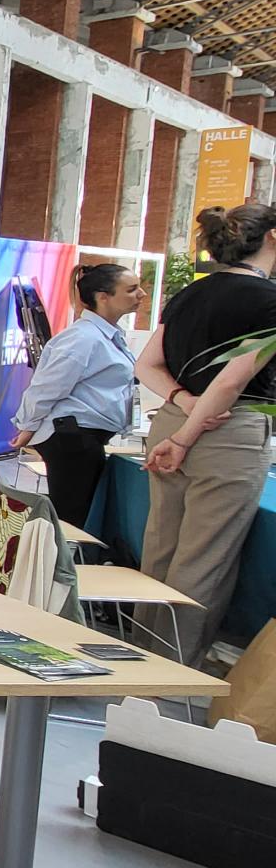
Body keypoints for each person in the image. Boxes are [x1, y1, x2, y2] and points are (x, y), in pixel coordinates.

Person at [134, 203, 276, 663]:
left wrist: (180, 405)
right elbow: (232, 381)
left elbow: (147, 365)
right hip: (223, 434)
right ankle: (172, 669)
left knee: (161, 548)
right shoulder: (268, 301)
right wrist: (188, 434)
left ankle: (141, 653)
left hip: (175, 423)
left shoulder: (191, 294)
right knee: (204, 560)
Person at [7, 263, 145, 529]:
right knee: (74, 520)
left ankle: (74, 566)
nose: (141, 295)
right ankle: (64, 570)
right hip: (72, 438)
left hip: (85, 437)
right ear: (103, 297)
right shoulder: (83, 338)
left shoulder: (107, 336)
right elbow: (47, 387)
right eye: (131, 289)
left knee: (82, 515)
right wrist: (27, 424)